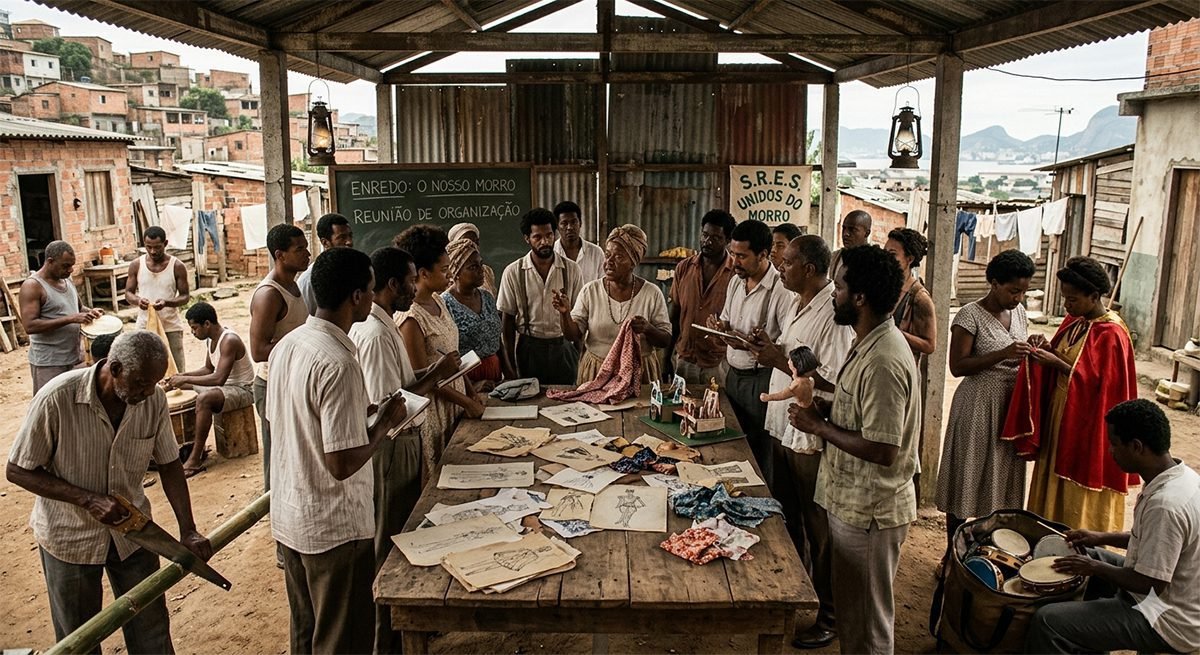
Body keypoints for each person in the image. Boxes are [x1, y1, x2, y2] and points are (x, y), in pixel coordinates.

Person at [7, 330, 212, 653]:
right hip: (70, 539)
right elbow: (17, 470)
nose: (147, 392)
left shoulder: (153, 399)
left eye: (154, 383)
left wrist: (188, 530)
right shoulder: (57, 399)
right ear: (114, 368)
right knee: (80, 639)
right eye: (140, 383)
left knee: (151, 630)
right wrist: (86, 499)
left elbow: (170, 464)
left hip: (133, 533)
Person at [268, 247, 410, 655]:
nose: (372, 297)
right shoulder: (339, 363)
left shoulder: (290, 344)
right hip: (334, 528)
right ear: (356, 298)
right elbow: (341, 463)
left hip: (293, 517)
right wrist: (383, 423)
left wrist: (360, 413)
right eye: (369, 289)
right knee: (342, 638)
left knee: (306, 633)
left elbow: (296, 420)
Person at [787, 244, 920, 655]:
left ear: (859, 297)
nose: (834, 294)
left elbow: (884, 449)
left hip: (872, 511)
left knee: (868, 626)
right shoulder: (868, 343)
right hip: (852, 503)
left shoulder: (883, 359)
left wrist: (819, 426)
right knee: (854, 617)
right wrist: (824, 399)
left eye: (840, 287)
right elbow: (860, 412)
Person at [349, 246, 460, 655]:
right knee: (391, 543)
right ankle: (389, 639)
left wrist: (433, 373)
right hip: (393, 446)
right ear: (393, 284)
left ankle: (400, 631)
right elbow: (388, 406)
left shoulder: (383, 325)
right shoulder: (377, 333)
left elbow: (402, 385)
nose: (416, 288)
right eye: (412, 280)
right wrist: (436, 378)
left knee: (402, 533)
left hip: (402, 439)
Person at [1025, 399, 1200, 655]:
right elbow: (1154, 542)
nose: (1110, 451)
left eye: (1114, 444)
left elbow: (1150, 584)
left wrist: (1094, 568)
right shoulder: (1181, 477)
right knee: (1089, 555)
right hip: (1166, 595)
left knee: (1048, 621)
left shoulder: (1166, 504)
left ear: (1137, 446)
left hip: (1165, 617)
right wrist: (1098, 538)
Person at [749, 235, 854, 650]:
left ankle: (829, 616)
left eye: (787, 262)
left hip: (808, 433)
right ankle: (796, 595)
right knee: (789, 518)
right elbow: (796, 358)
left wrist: (779, 359)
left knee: (818, 528)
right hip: (785, 425)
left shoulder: (833, 311)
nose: (780, 267)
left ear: (809, 269)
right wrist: (769, 351)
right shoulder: (797, 302)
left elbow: (835, 381)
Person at [1003, 256, 1139, 533]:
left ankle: (1080, 544)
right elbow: (1068, 357)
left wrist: (1056, 363)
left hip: (1088, 425)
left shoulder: (1111, 333)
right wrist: (1044, 348)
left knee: (1076, 485)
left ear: (1094, 295)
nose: (1067, 305)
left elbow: (1105, 389)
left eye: (1073, 299)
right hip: (1060, 415)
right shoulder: (1075, 322)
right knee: (1053, 473)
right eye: (1065, 298)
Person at [936, 250, 1035, 549]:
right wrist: (1003, 354)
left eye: (1023, 291)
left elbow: (1020, 352)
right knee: (967, 472)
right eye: (1013, 290)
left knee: (1000, 477)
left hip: (1010, 408)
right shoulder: (970, 315)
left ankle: (990, 550)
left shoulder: (1019, 313)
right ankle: (952, 551)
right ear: (994, 283)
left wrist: (1032, 347)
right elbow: (958, 366)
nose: (1018, 297)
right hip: (978, 404)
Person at [706, 219, 791, 487]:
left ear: (764, 254)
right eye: (733, 254)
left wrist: (751, 343)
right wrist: (720, 328)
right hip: (733, 377)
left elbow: (786, 347)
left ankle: (762, 510)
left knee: (758, 451)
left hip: (761, 381)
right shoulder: (735, 283)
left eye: (742, 256)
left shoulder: (781, 291)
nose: (734, 261)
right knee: (732, 445)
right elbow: (728, 322)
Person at [395, 225, 485, 479]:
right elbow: (425, 379)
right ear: (422, 273)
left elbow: (453, 357)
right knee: (439, 478)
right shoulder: (411, 318)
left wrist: (470, 392)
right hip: (435, 410)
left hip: (455, 404)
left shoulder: (439, 300)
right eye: (445, 270)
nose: (450, 274)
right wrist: (465, 401)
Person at [556, 224, 672, 384]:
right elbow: (573, 335)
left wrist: (648, 329)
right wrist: (564, 313)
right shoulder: (591, 291)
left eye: (618, 257)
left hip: (639, 374)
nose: (608, 262)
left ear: (633, 262)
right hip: (597, 371)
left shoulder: (651, 293)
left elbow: (665, 339)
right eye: (607, 255)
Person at [249, 224, 311, 492]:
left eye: (306, 247)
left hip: (291, 379)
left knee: (293, 449)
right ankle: (274, 510)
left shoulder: (294, 285)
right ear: (280, 255)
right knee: (276, 455)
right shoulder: (270, 294)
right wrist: (305, 347)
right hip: (272, 383)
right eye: (299, 249)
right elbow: (259, 350)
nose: (307, 254)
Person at [165, 302, 255, 477]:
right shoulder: (211, 339)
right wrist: (180, 376)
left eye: (194, 328)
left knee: (204, 399)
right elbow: (207, 369)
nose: (193, 332)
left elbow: (218, 378)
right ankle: (185, 445)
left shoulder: (229, 340)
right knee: (177, 384)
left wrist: (186, 378)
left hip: (242, 390)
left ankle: (195, 457)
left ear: (207, 324)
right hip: (225, 387)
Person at [497, 208, 584, 385]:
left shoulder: (572, 270)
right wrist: (510, 366)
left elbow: (580, 318)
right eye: (537, 237)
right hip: (529, 348)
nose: (545, 241)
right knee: (530, 403)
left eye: (549, 235)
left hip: (563, 347)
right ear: (527, 238)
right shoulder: (513, 272)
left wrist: (579, 354)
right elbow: (507, 321)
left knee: (565, 403)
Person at [19, 240, 101, 392]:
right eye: (65, 266)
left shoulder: (67, 280)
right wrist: (70, 319)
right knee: (50, 406)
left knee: (72, 403)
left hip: (74, 356)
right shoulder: (33, 286)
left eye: (72, 265)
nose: (70, 270)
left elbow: (79, 308)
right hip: (49, 362)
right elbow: (29, 326)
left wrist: (90, 312)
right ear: (50, 261)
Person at [666, 209, 737, 385]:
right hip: (685, 359)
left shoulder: (736, 274)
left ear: (728, 241)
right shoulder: (684, 268)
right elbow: (675, 314)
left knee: (717, 410)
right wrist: (666, 357)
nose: (707, 242)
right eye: (705, 235)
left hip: (719, 363)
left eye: (716, 238)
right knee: (682, 409)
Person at [125, 226, 191, 370]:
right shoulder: (136, 265)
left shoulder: (177, 266)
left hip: (170, 326)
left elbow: (185, 296)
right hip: (144, 325)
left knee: (177, 369)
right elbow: (128, 293)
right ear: (144, 244)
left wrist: (166, 302)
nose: (153, 251)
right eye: (149, 247)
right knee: (145, 368)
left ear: (165, 244)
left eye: (157, 247)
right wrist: (138, 301)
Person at [443, 237, 503, 390]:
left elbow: (497, 341)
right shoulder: (445, 304)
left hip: (495, 376)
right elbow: (445, 353)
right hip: (467, 379)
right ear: (456, 271)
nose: (481, 270)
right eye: (473, 267)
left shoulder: (487, 297)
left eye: (481, 264)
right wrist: (472, 386)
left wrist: (509, 374)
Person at [884, 228, 936, 361]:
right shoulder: (883, 286)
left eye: (893, 254)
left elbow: (929, 345)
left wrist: (893, 333)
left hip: (901, 371)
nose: (886, 258)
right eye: (885, 253)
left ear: (910, 259)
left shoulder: (919, 297)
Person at [297, 212, 353, 315]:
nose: (349, 242)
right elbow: (303, 319)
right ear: (325, 242)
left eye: (350, 236)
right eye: (342, 237)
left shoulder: (353, 270)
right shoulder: (308, 280)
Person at [553, 201, 605, 283]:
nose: (570, 227)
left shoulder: (596, 253)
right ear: (557, 226)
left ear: (580, 223)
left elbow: (604, 285)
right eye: (564, 223)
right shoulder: (552, 253)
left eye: (574, 222)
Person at [447, 222, 497, 297]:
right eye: (465, 243)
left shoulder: (487, 271)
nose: (473, 246)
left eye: (475, 241)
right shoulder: (446, 276)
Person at [828, 210, 872, 280]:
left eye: (852, 229)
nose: (845, 234)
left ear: (867, 233)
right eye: (844, 228)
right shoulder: (834, 258)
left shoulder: (874, 262)